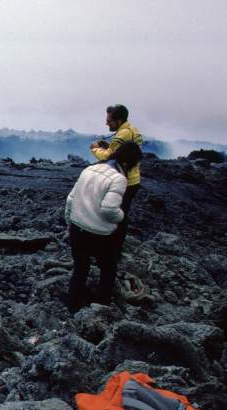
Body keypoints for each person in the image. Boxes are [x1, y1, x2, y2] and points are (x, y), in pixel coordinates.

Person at [65, 142, 143, 313]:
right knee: (108, 269)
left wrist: (69, 225)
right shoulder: (118, 179)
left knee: (80, 269)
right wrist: (121, 219)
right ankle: (101, 309)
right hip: (100, 234)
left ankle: (72, 308)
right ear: (128, 163)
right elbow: (109, 209)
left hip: (78, 229)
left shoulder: (88, 170)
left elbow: (70, 200)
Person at [90, 104, 143, 254]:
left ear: (119, 121)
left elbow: (109, 157)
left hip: (123, 180)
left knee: (117, 215)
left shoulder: (121, 135)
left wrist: (95, 149)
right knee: (122, 212)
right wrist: (110, 146)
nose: (107, 123)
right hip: (133, 179)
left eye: (110, 121)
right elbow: (126, 153)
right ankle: (114, 246)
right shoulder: (132, 130)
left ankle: (113, 248)